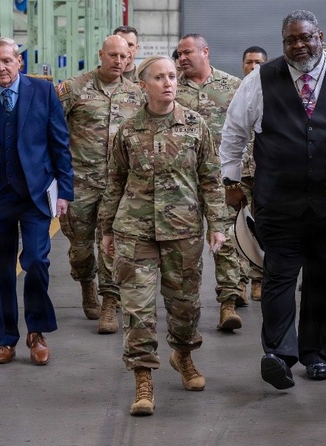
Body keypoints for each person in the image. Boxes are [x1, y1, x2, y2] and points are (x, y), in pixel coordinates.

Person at [220, 9, 326, 389]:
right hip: (278, 201)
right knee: (279, 277)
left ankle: (317, 355)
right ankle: (279, 355)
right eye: (290, 40)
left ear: (321, 37)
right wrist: (230, 181)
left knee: (325, 282)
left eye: (305, 37)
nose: (299, 46)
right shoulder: (259, 80)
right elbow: (234, 133)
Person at [98, 55, 227, 417]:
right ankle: (143, 379)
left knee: (185, 305)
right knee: (138, 309)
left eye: (172, 76)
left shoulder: (196, 125)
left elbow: (211, 179)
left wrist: (218, 225)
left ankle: (183, 355)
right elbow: (115, 181)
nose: (168, 82)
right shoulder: (128, 130)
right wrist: (106, 229)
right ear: (143, 85)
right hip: (134, 230)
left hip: (183, 230)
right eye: (159, 77)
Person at [0, 37, 74, 366]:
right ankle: (5, 340)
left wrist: (64, 191)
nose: (2, 67)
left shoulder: (43, 92)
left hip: (35, 195)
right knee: (0, 270)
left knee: (36, 261)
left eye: (7, 60)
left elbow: (59, 143)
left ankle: (37, 332)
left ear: (19, 62)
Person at [57, 34, 144, 333]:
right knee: (81, 247)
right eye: (113, 55)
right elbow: (51, 129)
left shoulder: (136, 94)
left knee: (112, 245)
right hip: (80, 183)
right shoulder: (73, 88)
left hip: (118, 186)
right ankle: (86, 285)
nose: (119, 61)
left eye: (124, 56)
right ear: (101, 54)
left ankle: (109, 301)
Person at [173, 33, 249, 331]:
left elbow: (249, 131)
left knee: (225, 239)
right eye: (179, 54)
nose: (182, 58)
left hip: (222, 179)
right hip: (182, 182)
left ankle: (228, 304)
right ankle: (184, 306)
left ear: (205, 51)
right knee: (184, 245)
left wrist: (243, 177)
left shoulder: (233, 87)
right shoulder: (172, 88)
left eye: (188, 52)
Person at [238, 45, 267, 301]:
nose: (253, 66)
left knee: (261, 227)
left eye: (259, 62)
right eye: (249, 62)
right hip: (238, 175)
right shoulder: (234, 92)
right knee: (237, 227)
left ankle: (259, 279)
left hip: (264, 173)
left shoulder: (274, 94)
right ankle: (238, 282)